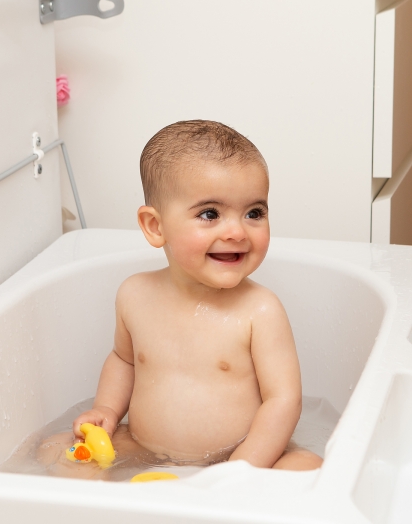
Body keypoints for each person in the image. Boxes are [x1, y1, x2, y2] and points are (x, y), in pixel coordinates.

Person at [72, 120, 322, 471]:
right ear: (155, 226)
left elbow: (284, 400)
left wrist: (240, 470)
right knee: (59, 453)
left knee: (306, 467)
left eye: (254, 213)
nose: (237, 232)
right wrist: (107, 410)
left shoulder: (260, 310)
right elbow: (124, 360)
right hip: (145, 448)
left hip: (240, 456)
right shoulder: (135, 294)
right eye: (210, 214)